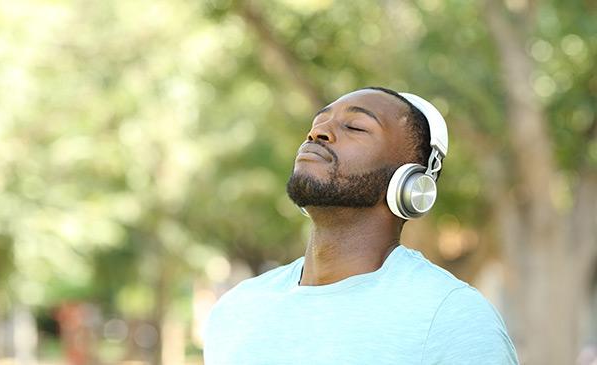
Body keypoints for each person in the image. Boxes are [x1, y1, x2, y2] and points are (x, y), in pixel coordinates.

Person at [203, 87, 519, 364]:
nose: (318, 134)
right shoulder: (236, 310)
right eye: (316, 125)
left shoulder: (453, 318)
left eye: (355, 126)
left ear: (410, 185)